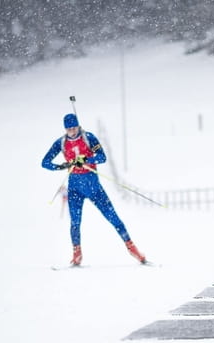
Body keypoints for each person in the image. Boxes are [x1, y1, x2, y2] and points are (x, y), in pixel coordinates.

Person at [41, 113, 146, 266]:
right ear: (65, 129)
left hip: (94, 188)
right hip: (74, 189)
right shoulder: (61, 143)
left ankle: (131, 247)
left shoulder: (88, 138)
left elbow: (102, 157)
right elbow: (45, 162)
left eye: (74, 127)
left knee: (113, 217)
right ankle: (77, 253)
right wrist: (62, 166)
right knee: (75, 222)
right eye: (69, 129)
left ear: (78, 126)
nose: (72, 131)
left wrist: (86, 159)